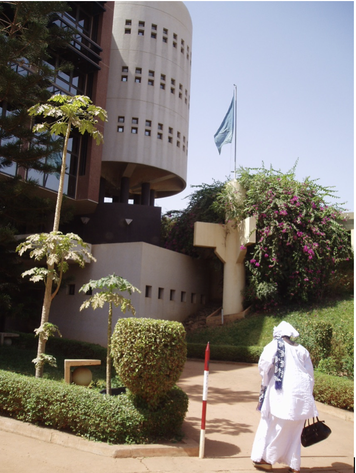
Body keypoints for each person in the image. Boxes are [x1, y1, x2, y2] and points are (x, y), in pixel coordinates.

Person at [251, 321, 318, 473]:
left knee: (275, 427)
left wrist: (268, 379)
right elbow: (310, 375)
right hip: (301, 397)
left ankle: (266, 460)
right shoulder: (302, 350)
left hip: (281, 396)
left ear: (278, 334)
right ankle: (294, 466)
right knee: (294, 432)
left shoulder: (274, 346)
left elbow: (263, 365)